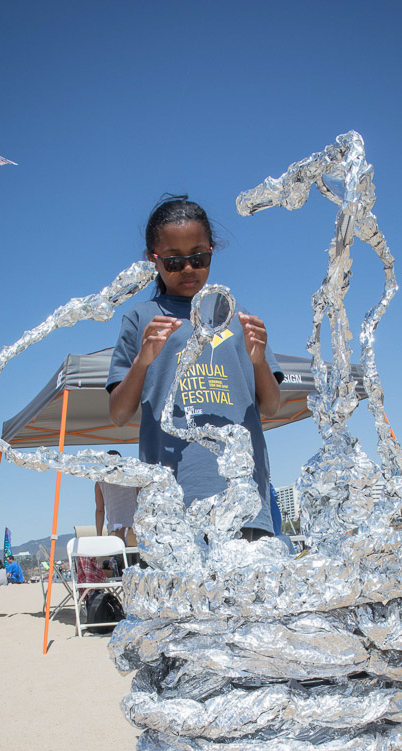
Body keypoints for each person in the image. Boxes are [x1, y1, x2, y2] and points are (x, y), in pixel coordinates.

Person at [107, 195, 282, 539]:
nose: (188, 269)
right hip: (174, 504)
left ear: (212, 250)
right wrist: (143, 360)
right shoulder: (141, 318)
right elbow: (118, 414)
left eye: (198, 258)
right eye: (173, 261)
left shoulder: (238, 317)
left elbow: (272, 405)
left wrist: (259, 360)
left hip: (245, 501)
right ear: (152, 260)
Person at [95, 449, 139, 546]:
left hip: (115, 525)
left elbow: (100, 510)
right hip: (133, 524)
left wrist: (99, 534)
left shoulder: (101, 482)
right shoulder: (133, 477)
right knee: (135, 556)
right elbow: (141, 500)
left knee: (118, 556)